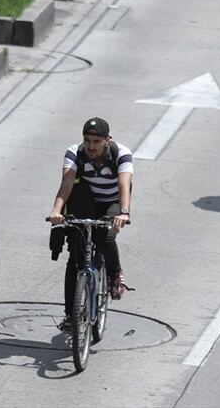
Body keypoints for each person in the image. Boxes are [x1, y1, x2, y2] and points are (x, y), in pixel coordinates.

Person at [47, 117, 133, 330]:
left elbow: (124, 184)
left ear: (107, 140)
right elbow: (67, 183)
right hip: (86, 199)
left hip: (112, 200)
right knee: (75, 255)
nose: (91, 146)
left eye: (96, 141)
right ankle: (70, 315)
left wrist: (123, 212)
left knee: (105, 236)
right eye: (87, 141)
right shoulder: (75, 152)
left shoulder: (121, 154)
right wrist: (56, 212)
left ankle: (115, 275)